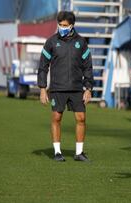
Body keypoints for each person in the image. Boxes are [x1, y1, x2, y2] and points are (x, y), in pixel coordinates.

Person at [38, 11, 93, 162]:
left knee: (81, 118)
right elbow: (43, 66)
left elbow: (88, 66)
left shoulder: (81, 42)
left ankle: (79, 153)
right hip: (57, 88)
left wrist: (88, 88)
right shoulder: (51, 42)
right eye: (60, 25)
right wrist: (43, 88)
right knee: (56, 117)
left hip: (76, 88)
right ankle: (57, 152)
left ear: (72, 26)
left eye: (65, 25)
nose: (61, 28)